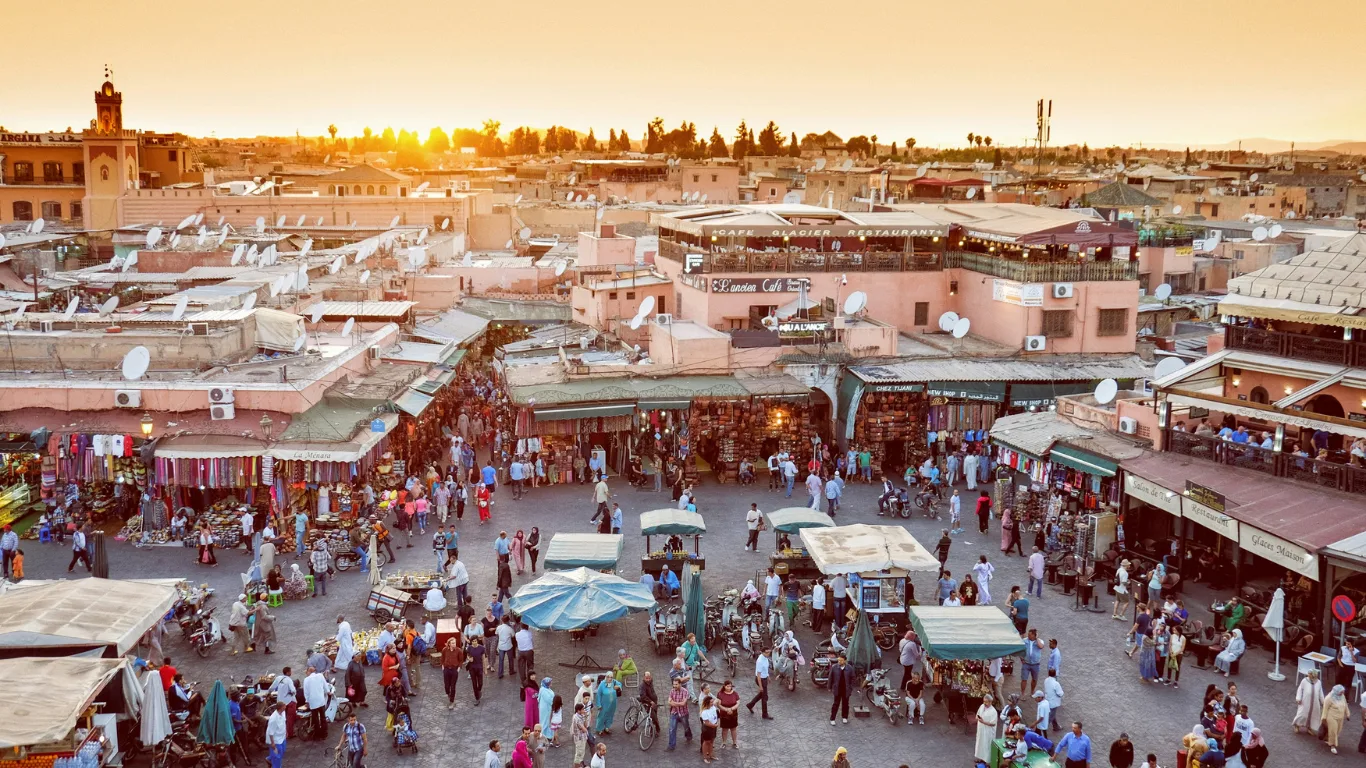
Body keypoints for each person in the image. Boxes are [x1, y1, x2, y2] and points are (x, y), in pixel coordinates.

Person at [302, 665, 331, 742]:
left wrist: (307, 701)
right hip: (321, 701)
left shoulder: (306, 680)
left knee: (315, 719)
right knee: (323, 718)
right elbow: (325, 685)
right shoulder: (320, 676)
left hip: (313, 703)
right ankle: (324, 733)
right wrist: (328, 692)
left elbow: (306, 692)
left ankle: (317, 734)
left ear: (309, 671)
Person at [1293, 668, 1323, 734]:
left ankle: (1309, 727)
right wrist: (1298, 698)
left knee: (1313, 715)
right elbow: (1300, 689)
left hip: (1315, 703)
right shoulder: (1304, 681)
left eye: (1310, 674)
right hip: (1305, 701)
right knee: (1302, 714)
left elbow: (1320, 693)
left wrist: (1323, 702)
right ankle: (1297, 725)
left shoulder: (1318, 682)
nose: (1308, 675)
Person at [666, 676, 692, 751]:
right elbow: (669, 702)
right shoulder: (672, 691)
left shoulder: (685, 691)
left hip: (683, 713)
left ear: (680, 684)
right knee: (672, 729)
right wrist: (677, 703)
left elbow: (683, 703)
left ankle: (689, 736)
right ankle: (671, 745)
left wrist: (673, 703)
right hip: (674, 712)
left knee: (686, 727)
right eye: (674, 684)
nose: (674, 686)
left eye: (676, 684)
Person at [1323, 684, 1350, 754]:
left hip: (1340, 718)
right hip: (1332, 717)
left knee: (1338, 730)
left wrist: (1347, 714)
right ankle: (1333, 746)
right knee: (1333, 731)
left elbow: (1345, 705)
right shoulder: (1328, 698)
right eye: (1341, 692)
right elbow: (1325, 709)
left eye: (1343, 692)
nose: (1342, 693)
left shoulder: (1342, 696)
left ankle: (1329, 739)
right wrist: (1323, 718)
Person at [973, 694, 999, 762]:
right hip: (981, 730)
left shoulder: (993, 711)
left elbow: (993, 723)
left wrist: (983, 722)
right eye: (984, 701)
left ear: (990, 702)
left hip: (988, 732)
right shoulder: (982, 706)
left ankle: (986, 761)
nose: (985, 703)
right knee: (980, 743)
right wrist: (979, 719)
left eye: (986, 702)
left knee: (987, 745)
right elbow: (978, 714)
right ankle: (980, 758)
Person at [746, 647, 771, 719]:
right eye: (766, 652)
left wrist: (768, 676)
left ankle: (750, 705)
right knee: (764, 697)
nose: (768, 654)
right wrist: (760, 686)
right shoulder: (760, 661)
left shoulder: (765, 658)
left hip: (764, 678)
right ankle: (765, 714)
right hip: (761, 680)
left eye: (769, 652)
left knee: (762, 695)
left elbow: (765, 669)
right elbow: (758, 675)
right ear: (762, 652)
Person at [830, 654, 855, 725]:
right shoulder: (834, 667)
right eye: (838, 660)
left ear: (845, 661)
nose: (839, 662)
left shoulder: (850, 668)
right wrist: (830, 687)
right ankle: (832, 718)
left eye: (841, 660)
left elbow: (853, 678)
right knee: (836, 704)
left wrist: (850, 688)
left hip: (846, 690)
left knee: (845, 704)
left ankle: (845, 717)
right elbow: (831, 677)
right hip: (837, 689)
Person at [716, 679, 740, 749]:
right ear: (724, 686)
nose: (729, 688)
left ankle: (735, 742)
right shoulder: (720, 694)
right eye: (727, 686)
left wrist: (731, 709)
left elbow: (738, 702)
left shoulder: (735, 693)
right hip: (724, 714)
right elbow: (719, 704)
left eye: (730, 686)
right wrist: (726, 709)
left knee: (733, 729)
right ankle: (724, 742)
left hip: (733, 714)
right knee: (724, 729)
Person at [265, 702, 287, 768]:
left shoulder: (283, 713)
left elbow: (284, 722)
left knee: (282, 751)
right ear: (280, 708)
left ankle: (269, 759)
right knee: (277, 757)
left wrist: (286, 732)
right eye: (284, 706)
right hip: (275, 739)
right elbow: (271, 733)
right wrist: (272, 743)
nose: (285, 707)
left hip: (282, 737)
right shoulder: (273, 719)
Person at [699, 694, 719, 763]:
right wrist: (714, 726)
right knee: (706, 742)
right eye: (711, 702)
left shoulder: (713, 707)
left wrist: (715, 724)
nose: (712, 703)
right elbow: (707, 722)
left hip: (713, 726)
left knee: (711, 741)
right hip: (707, 728)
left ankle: (711, 755)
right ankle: (705, 756)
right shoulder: (704, 712)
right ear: (707, 703)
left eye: (712, 702)